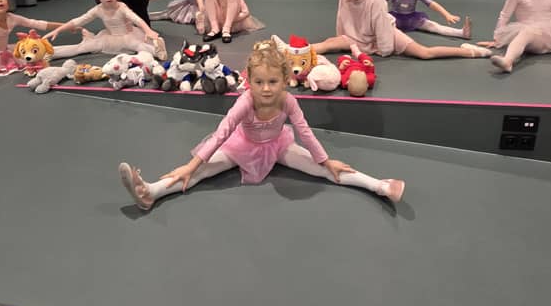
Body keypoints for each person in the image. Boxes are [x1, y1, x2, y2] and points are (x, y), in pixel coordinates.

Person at [117, 38, 405, 211]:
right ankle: (151, 191)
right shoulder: (246, 102)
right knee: (200, 172)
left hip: (278, 146)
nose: (266, 89)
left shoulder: (288, 101)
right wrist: (190, 165)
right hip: (242, 146)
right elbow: (222, 133)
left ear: (285, 80)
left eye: (272, 82)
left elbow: (305, 132)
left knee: (325, 170)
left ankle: (379, 185)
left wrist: (326, 159)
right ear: (250, 81)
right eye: (259, 82)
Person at [311, 0, 491, 59]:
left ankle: (469, 52)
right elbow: (342, 18)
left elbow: (382, 27)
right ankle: (297, 51)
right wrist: (341, 37)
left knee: (424, 53)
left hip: (385, 35)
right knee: (328, 43)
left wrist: (385, 50)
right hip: (356, 36)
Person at [44, 0, 167, 60]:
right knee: (82, 48)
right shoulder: (98, 10)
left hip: (128, 36)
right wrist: (58, 30)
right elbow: (78, 21)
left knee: (137, 45)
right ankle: (49, 52)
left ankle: (158, 51)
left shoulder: (121, 7)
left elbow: (136, 19)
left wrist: (148, 31)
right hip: (109, 38)